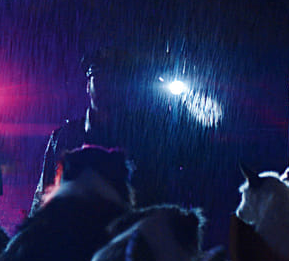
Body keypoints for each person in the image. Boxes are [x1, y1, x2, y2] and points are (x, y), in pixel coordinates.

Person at [31, 47, 205, 214]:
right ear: (88, 85)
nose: (107, 85)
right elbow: (44, 196)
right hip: (77, 231)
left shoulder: (145, 137)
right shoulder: (65, 137)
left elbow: (162, 194)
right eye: (100, 77)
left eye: (114, 79)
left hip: (128, 229)